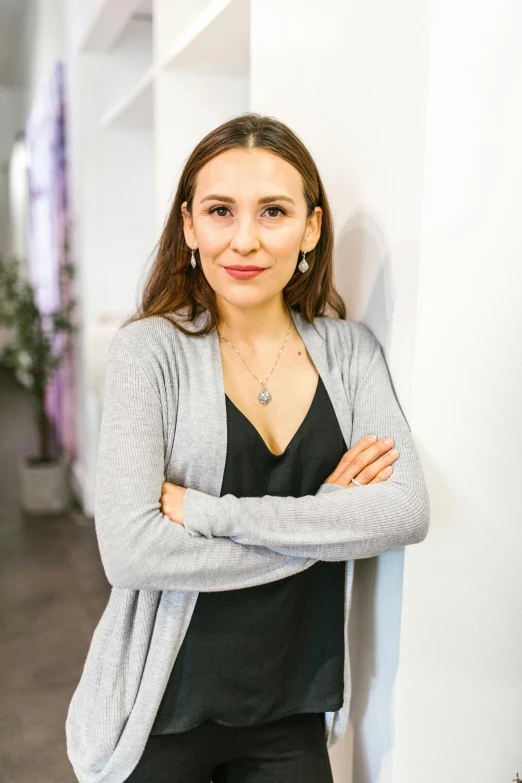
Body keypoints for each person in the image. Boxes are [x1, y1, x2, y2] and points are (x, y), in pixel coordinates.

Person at [65, 113, 430, 783]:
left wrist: (211, 511)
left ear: (311, 227)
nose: (244, 240)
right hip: (161, 710)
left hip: (291, 708)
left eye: (273, 212)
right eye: (220, 210)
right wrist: (328, 523)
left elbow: (405, 511)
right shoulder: (151, 352)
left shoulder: (350, 353)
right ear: (189, 226)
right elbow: (130, 549)